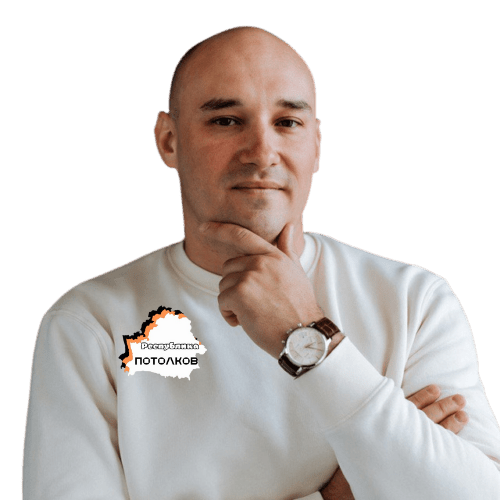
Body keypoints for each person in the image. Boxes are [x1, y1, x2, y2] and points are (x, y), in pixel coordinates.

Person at [22, 25, 500, 500]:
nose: (262, 153)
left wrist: (306, 334)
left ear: (317, 145)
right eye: (226, 121)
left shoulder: (415, 300)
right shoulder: (88, 323)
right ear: (168, 141)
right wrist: (340, 493)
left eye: (287, 123)